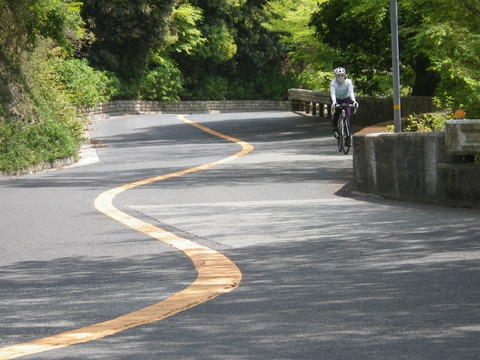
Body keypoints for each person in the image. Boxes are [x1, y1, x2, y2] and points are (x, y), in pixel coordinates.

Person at [330, 67, 358, 138]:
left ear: (344, 75)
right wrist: (334, 102)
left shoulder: (348, 82)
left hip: (346, 99)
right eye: (338, 75)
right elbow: (333, 93)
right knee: (337, 113)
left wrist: (354, 101)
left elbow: (351, 92)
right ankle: (335, 129)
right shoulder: (333, 83)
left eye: (342, 75)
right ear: (335, 76)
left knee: (348, 116)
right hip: (337, 99)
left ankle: (347, 135)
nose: (340, 77)